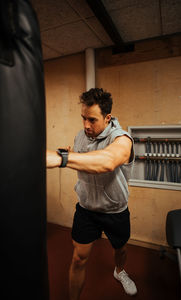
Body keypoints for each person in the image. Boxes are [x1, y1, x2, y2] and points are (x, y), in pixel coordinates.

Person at [47, 88, 137, 299]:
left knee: (121, 249)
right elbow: (85, 162)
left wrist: (63, 158)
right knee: (78, 258)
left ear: (107, 118)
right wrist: (72, 154)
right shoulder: (81, 136)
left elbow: (108, 161)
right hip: (86, 209)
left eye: (92, 120)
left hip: (115, 210)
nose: (86, 125)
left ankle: (119, 271)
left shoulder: (122, 139)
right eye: (83, 118)